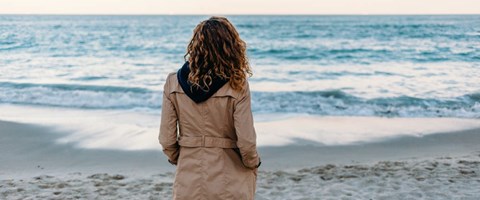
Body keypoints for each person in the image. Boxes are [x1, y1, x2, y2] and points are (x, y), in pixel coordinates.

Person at [159, 16, 261, 200]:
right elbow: (246, 141)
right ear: (231, 47)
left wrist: (182, 157)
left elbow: (166, 139)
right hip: (230, 179)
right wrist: (253, 163)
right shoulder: (238, 85)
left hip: (188, 178)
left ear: (195, 47)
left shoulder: (173, 83)